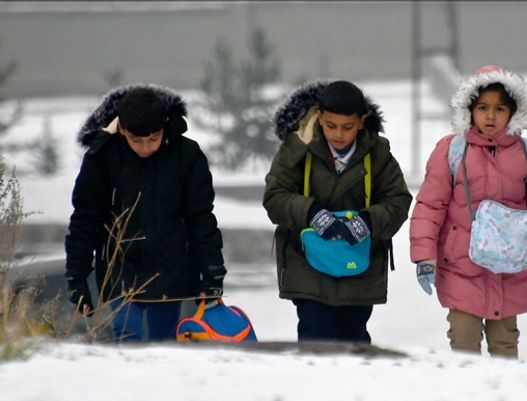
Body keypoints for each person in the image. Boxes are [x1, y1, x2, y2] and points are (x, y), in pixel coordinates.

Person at [409, 65, 527, 359]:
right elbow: (430, 206)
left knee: (505, 344)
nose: (490, 116)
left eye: (499, 109)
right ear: (469, 109)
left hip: (511, 268)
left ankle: (503, 400)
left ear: (513, 112)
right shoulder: (451, 151)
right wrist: (424, 257)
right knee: (463, 340)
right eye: (483, 107)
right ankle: (466, 399)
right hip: (462, 266)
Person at [65, 85, 227, 341]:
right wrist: (77, 276)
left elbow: (201, 218)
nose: (145, 148)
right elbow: (85, 219)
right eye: (136, 140)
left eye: (153, 139)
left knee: (163, 344)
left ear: (165, 127)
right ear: (122, 130)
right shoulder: (101, 158)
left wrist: (212, 272)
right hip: (119, 269)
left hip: (171, 270)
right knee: (127, 337)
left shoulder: (187, 156)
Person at [263, 80, 412, 343]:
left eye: (348, 127)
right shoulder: (297, 147)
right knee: (315, 335)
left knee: (354, 338)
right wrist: (312, 214)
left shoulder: (377, 153)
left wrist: (366, 221)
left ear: (362, 121)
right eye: (330, 126)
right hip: (306, 263)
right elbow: (275, 196)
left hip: (358, 266)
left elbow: (398, 200)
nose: (338, 134)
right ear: (319, 117)